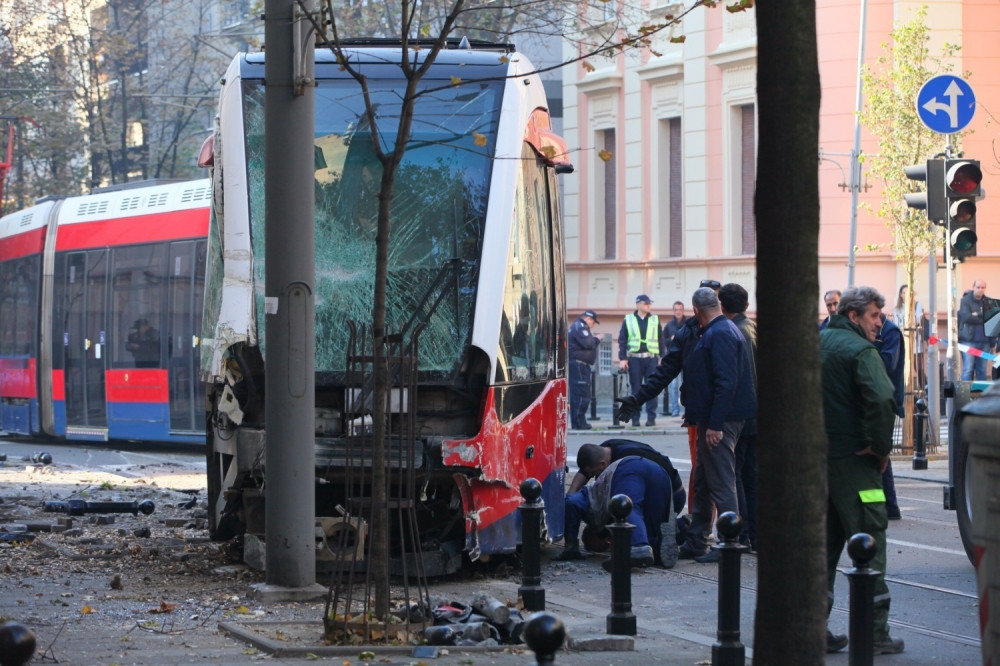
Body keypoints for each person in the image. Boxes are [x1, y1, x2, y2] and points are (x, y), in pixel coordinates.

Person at [618, 287, 755, 564]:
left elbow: (726, 383)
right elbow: (668, 369)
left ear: (695, 310)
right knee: (705, 479)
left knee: (721, 479)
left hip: (721, 419)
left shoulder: (722, 333)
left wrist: (716, 424)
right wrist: (639, 398)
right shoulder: (702, 331)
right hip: (710, 417)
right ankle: (698, 539)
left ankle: (730, 541)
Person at [820, 286, 904, 655]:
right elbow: (883, 397)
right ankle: (875, 633)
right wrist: (880, 447)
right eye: (874, 316)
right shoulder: (861, 351)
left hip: (815, 465)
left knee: (821, 548)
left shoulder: (814, 343)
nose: (879, 324)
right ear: (854, 316)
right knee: (870, 542)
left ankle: (811, 626)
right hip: (856, 464)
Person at [560, 440, 685, 568]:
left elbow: (571, 502)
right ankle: (685, 529)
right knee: (650, 535)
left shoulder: (593, 508)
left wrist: (571, 549)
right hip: (662, 478)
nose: (595, 477)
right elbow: (582, 478)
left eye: (595, 474)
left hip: (663, 486)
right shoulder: (606, 448)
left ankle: (638, 546)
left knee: (628, 505)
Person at [719, 283, 758, 551]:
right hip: (759, 414)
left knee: (737, 476)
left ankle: (741, 532)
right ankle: (755, 533)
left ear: (722, 306)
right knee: (752, 476)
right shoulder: (754, 328)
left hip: (743, 415)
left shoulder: (733, 332)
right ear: (746, 305)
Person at [875, 312, 904, 520]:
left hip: (885, 399)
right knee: (878, 451)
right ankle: (886, 506)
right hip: (876, 397)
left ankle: (890, 506)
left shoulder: (890, 331)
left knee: (881, 451)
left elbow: (888, 364)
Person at [618, 295, 663, 427]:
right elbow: (622, 340)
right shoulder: (629, 319)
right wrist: (623, 358)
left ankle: (651, 418)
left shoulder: (655, 319)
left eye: (650, 303)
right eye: (646, 303)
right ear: (638, 305)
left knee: (652, 388)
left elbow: (660, 339)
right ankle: (635, 419)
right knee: (636, 390)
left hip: (651, 358)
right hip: (634, 359)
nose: (649, 305)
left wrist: (662, 356)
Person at [568, 310, 603, 430]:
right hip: (579, 365)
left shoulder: (577, 326)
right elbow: (588, 343)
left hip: (580, 365)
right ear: (589, 319)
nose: (592, 325)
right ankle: (579, 422)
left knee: (581, 394)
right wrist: (597, 339)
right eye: (593, 322)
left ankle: (579, 421)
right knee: (581, 394)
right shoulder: (580, 326)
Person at [958, 279, 995, 381]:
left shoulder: (989, 302)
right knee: (968, 369)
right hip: (968, 340)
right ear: (973, 287)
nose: (980, 290)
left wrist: (976, 314)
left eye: (982, 287)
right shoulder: (965, 300)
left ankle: (982, 395)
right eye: (978, 287)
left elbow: (992, 320)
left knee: (982, 371)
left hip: (985, 341)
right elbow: (966, 317)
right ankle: (966, 395)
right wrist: (983, 317)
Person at [894, 284, 927, 389]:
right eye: (904, 293)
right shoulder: (897, 308)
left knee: (919, 367)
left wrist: (907, 323)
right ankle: (905, 389)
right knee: (904, 367)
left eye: (909, 293)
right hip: (903, 341)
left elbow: (916, 320)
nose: (906, 295)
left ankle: (924, 389)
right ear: (900, 295)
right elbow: (897, 323)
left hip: (916, 341)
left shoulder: (917, 305)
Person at [662, 301, 688, 417]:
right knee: (673, 386)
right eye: (676, 310)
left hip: (687, 359)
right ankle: (675, 410)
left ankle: (688, 410)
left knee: (687, 385)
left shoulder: (688, 324)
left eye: (680, 310)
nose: (678, 312)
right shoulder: (669, 325)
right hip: (673, 360)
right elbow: (663, 341)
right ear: (674, 311)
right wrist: (671, 339)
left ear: (683, 311)